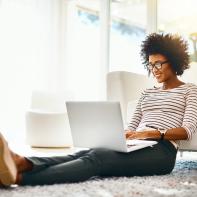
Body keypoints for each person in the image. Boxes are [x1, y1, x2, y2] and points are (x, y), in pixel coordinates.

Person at [1, 33, 197, 186]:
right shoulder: (147, 93)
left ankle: (20, 179)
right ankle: (23, 163)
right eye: (150, 64)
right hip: (137, 144)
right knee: (90, 152)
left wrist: (153, 133)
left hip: (162, 152)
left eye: (159, 63)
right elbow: (131, 126)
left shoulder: (190, 91)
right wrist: (119, 135)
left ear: (174, 60)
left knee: (98, 159)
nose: (154, 69)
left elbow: (187, 132)